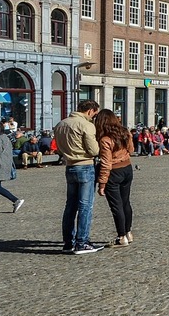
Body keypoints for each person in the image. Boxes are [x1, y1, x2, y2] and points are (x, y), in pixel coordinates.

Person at [54, 100, 102, 255]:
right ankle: (82, 242)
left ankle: (69, 242)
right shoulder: (86, 125)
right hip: (85, 166)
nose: (94, 117)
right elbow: (94, 150)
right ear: (90, 111)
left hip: (69, 166)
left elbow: (59, 148)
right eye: (94, 114)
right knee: (85, 206)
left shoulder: (61, 124)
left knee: (70, 206)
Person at [95, 109, 134, 248]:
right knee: (125, 203)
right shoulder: (125, 132)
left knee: (116, 206)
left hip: (114, 172)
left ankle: (121, 236)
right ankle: (128, 232)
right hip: (127, 168)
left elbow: (106, 163)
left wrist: (102, 183)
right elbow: (131, 149)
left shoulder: (105, 139)